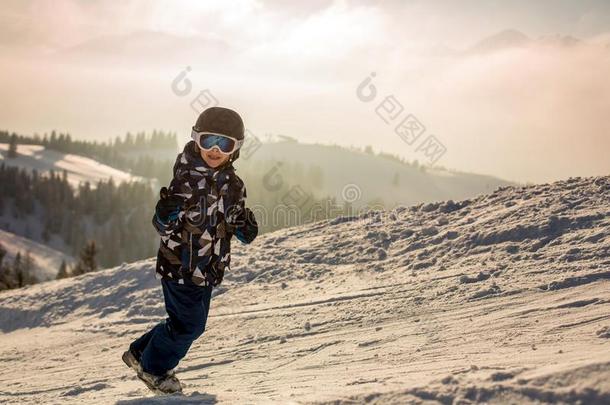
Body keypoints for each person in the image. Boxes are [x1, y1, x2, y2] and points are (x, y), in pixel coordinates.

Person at [122, 107, 258, 394]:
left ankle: (140, 352)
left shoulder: (234, 185)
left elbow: (234, 219)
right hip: (180, 264)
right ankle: (154, 368)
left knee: (185, 323)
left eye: (225, 144)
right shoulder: (184, 180)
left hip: (208, 268)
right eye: (209, 140)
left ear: (236, 149)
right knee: (190, 327)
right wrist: (164, 216)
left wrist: (244, 227)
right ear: (196, 139)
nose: (215, 150)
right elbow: (163, 226)